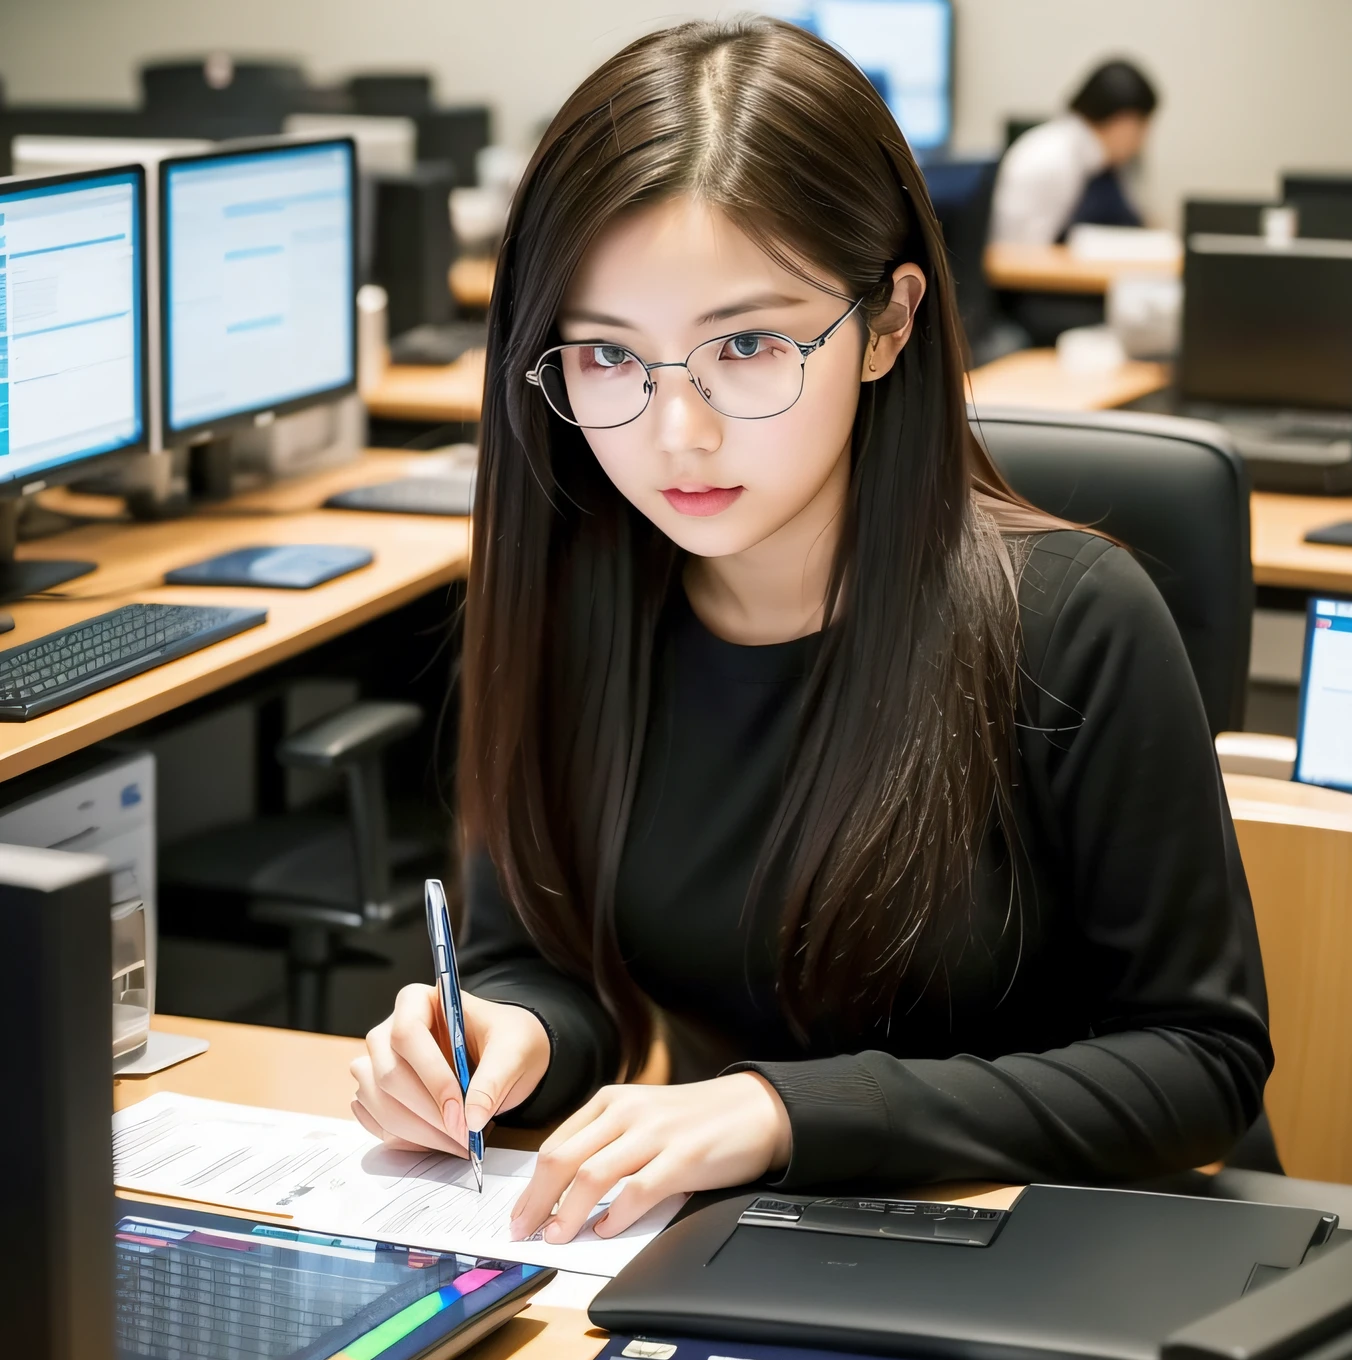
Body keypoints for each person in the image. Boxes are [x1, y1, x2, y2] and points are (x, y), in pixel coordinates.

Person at [349, 18, 1269, 1245]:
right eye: (608, 358)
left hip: (1072, 1253)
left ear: (889, 323)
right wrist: (500, 1038)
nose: (675, 434)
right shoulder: (579, 609)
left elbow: (1199, 1067)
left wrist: (786, 1114)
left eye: (746, 346)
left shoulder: (1075, 620)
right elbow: (544, 964)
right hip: (750, 1248)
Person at [990, 59, 1159, 248]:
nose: (1142, 142)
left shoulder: (1095, 162)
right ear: (1123, 121)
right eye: (1142, 128)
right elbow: (1023, 254)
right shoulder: (1053, 160)